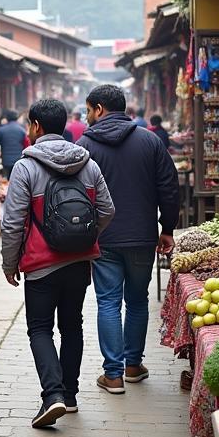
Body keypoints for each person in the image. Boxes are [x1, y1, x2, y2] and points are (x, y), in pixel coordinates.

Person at [1, 99, 115, 427]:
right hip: (79, 261)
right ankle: (70, 395)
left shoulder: (25, 167)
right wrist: (85, 236)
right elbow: (107, 210)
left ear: (36, 125)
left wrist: (10, 262)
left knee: (40, 327)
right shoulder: (88, 164)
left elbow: (12, 222)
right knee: (72, 325)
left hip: (40, 264)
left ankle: (52, 395)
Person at [78, 85, 180, 394]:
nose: (86, 116)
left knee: (108, 301)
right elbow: (169, 187)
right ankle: (133, 365)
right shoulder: (149, 141)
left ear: (99, 109)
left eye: (88, 109)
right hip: (141, 236)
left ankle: (113, 375)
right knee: (137, 300)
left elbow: (76, 193)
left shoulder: (86, 145)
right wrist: (167, 229)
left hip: (103, 237)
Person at [0, 110, 28, 176]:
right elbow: (26, 145)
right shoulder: (22, 130)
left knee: (6, 182)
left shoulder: (2, 129)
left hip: (6, 161)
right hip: (18, 161)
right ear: (16, 118)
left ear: (7, 118)